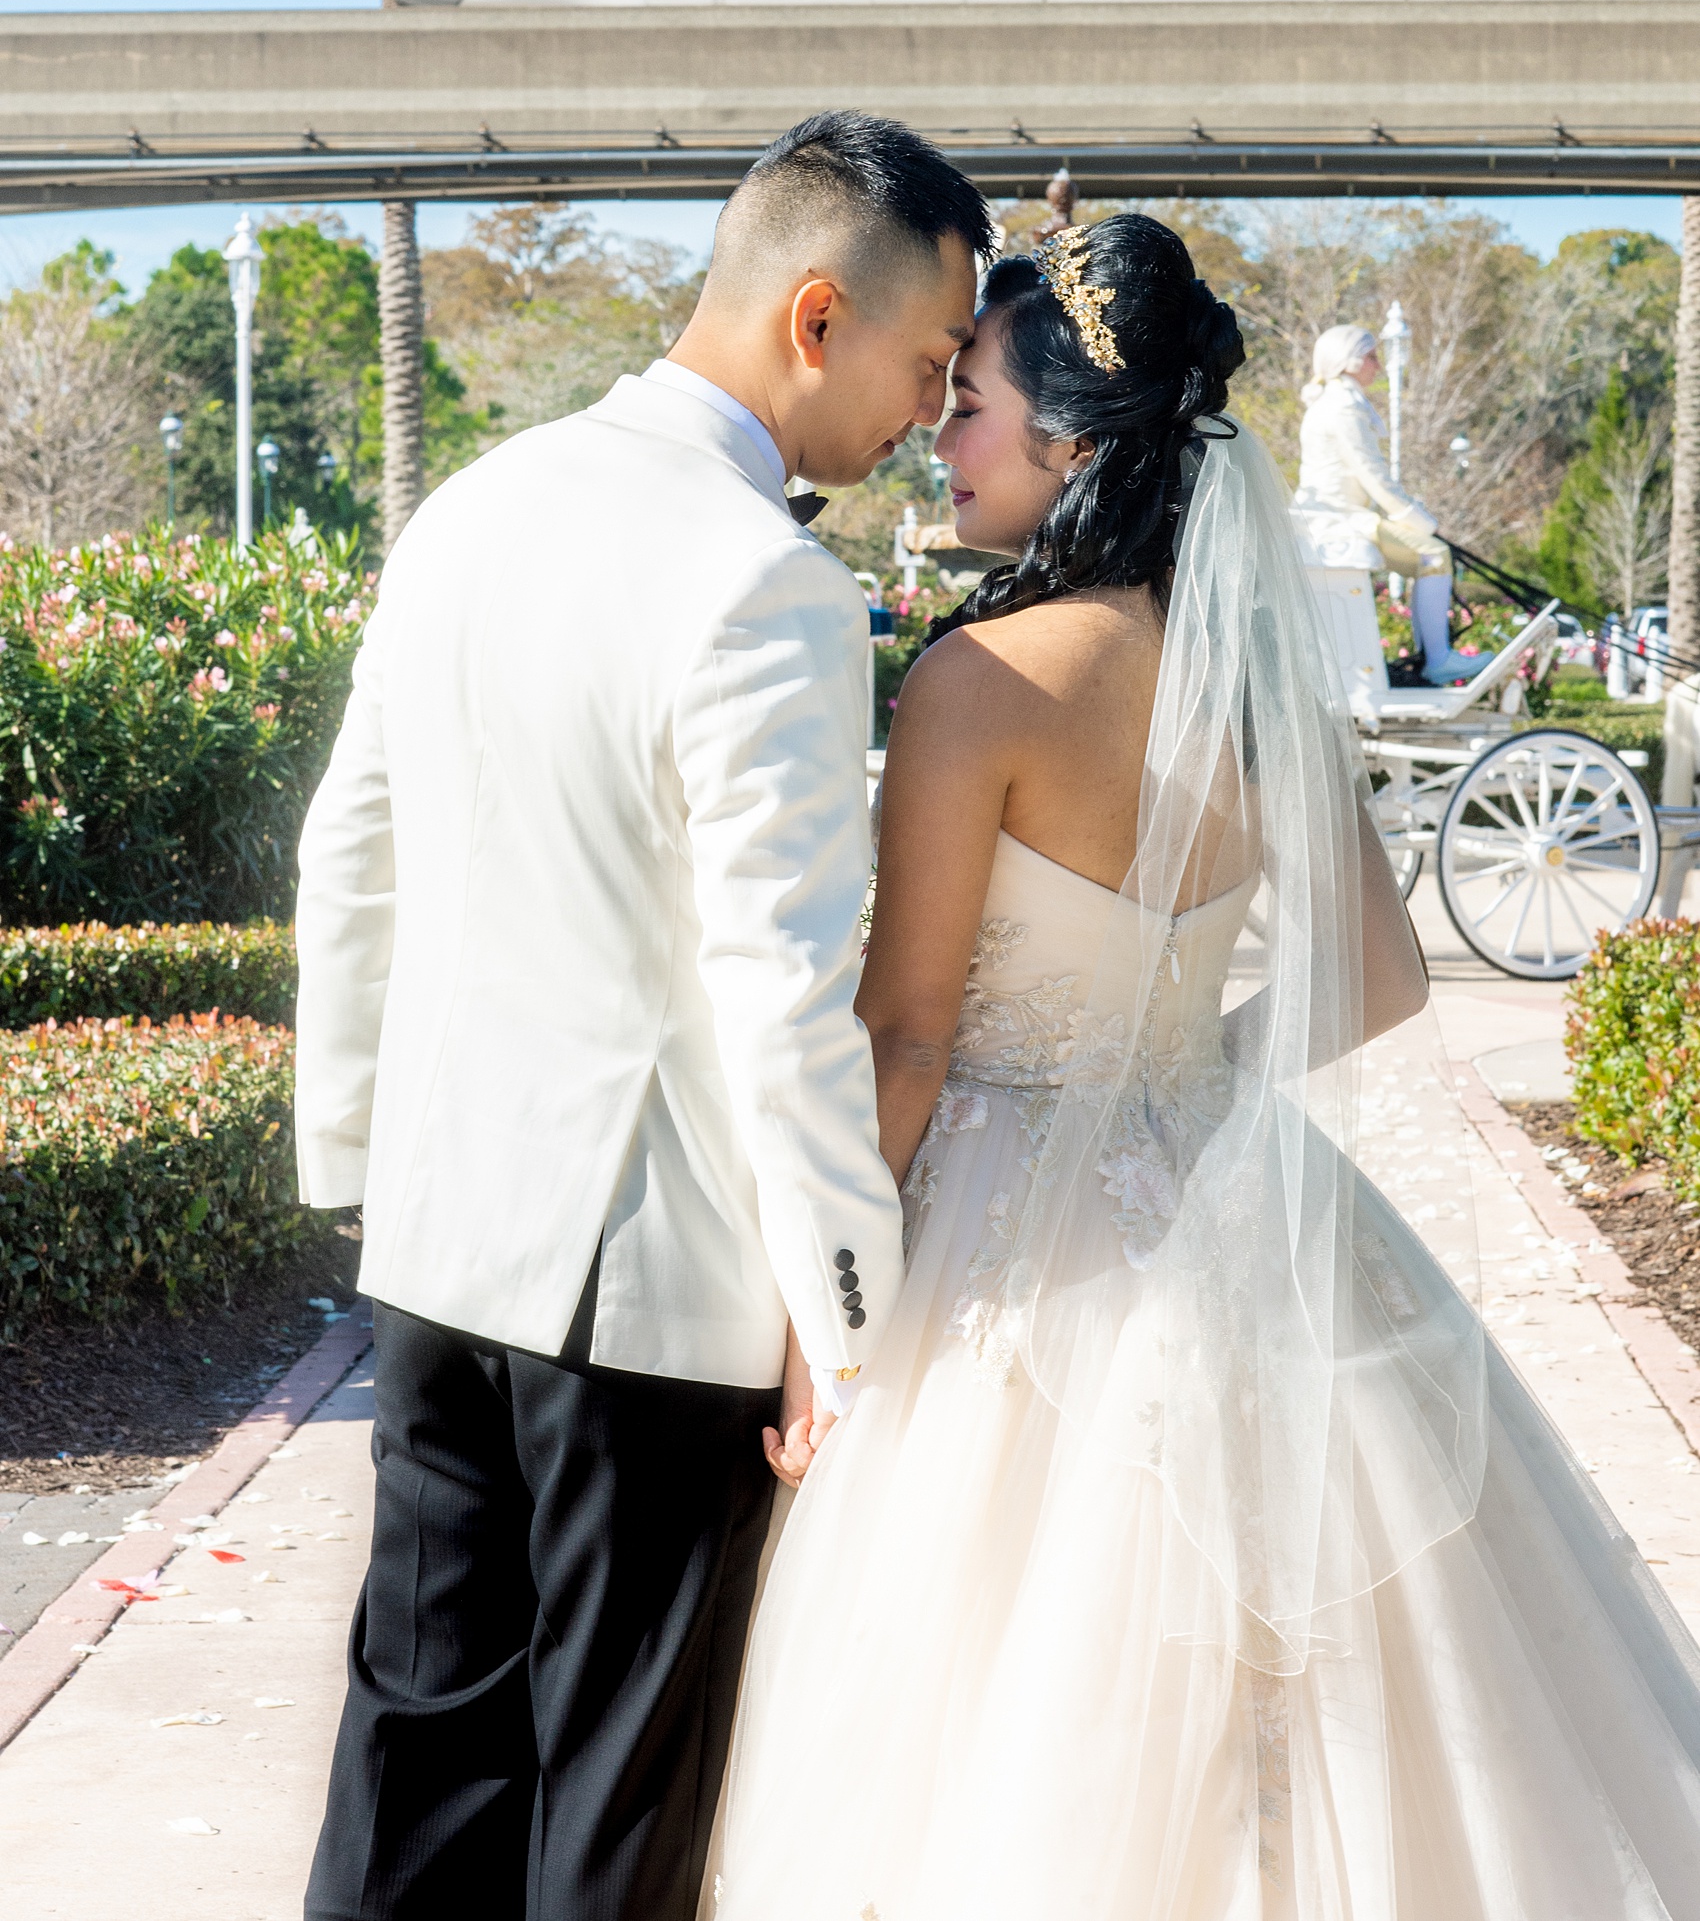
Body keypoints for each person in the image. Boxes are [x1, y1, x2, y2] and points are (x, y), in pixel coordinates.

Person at [705, 215, 1700, 1920]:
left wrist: (823, 1314)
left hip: (1009, 1238)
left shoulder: (977, 683)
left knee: (986, 1717)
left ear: (1071, 439)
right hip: (1223, 1199)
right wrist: (1174, 1074)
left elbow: (910, 1034)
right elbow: (1374, 983)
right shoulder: (1245, 676)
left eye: (972, 406)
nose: (939, 434)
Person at [292, 110, 992, 1921]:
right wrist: (852, 1327)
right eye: (928, 361)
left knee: (415, 1759)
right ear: (816, 319)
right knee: (619, 1808)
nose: (932, 407)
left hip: (440, 1249)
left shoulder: (473, 504)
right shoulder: (768, 581)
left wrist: (367, 1163)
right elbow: (782, 997)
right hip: (647, 1306)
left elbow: (349, 849)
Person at [1294, 322, 1488, 685]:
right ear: (1348, 361)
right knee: (1433, 555)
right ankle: (1438, 660)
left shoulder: (1337, 402)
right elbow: (1373, 476)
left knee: (1430, 555)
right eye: (1371, 357)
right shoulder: (1343, 407)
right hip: (1340, 519)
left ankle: (1433, 656)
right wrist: (1421, 523)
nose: (1378, 366)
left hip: (1342, 516)